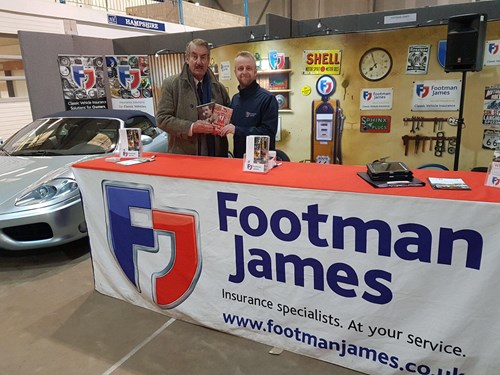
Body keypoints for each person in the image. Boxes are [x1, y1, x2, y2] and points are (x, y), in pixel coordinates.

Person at [156, 39, 230, 156]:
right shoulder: (171, 85)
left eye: (203, 57)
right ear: (187, 58)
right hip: (184, 158)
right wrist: (191, 127)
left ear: (208, 60)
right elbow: (162, 119)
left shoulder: (219, 88)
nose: (199, 62)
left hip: (216, 158)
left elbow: (228, 117)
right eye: (194, 56)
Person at [219, 51, 278, 158]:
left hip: (260, 161)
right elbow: (229, 124)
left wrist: (237, 130)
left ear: (255, 72)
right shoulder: (235, 99)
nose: (244, 72)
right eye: (240, 68)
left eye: (249, 68)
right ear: (235, 72)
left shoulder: (268, 99)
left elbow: (268, 133)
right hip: (239, 160)